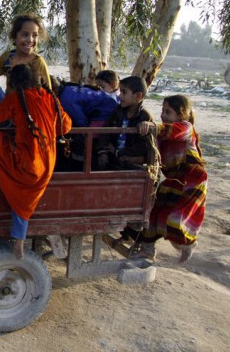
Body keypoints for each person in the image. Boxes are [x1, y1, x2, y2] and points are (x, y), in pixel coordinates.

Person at [0, 64, 71, 259]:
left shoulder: (15, 99)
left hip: (27, 163)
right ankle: (18, 239)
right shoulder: (49, 97)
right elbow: (66, 126)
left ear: (14, 83)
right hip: (48, 163)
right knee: (24, 200)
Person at [131, 95, 207, 262]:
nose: (163, 115)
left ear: (182, 115)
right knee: (154, 215)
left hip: (192, 181)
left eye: (168, 112)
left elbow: (171, 131)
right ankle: (147, 249)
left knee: (175, 220)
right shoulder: (161, 136)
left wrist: (151, 126)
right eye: (162, 111)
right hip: (173, 180)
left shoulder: (186, 128)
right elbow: (152, 154)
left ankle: (187, 244)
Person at [0, 14, 52, 93]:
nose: (30, 40)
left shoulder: (38, 61)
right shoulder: (7, 57)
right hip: (10, 104)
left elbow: (48, 93)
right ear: (14, 37)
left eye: (34, 35)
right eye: (25, 35)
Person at [96, 76, 153, 170]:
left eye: (124, 92)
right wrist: (103, 152)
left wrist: (118, 152)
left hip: (129, 163)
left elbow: (142, 146)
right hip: (111, 159)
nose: (119, 95)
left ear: (138, 96)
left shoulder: (144, 117)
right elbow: (105, 132)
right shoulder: (117, 111)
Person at [50, 77, 118, 128]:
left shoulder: (66, 100)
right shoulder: (68, 88)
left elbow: (81, 120)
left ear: (55, 91)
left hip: (105, 110)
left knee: (90, 137)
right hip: (108, 102)